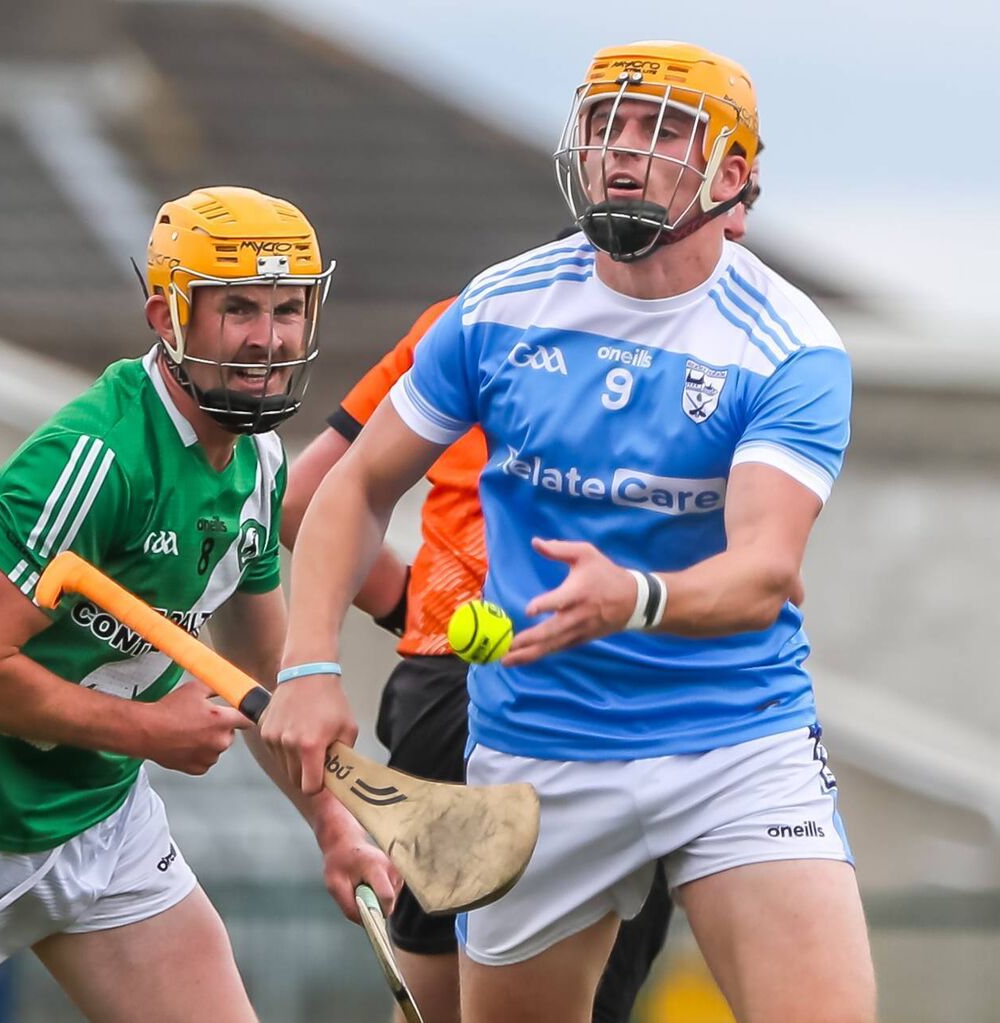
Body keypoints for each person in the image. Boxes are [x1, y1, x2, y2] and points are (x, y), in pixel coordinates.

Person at [263, 40, 874, 1023]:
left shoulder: (789, 347)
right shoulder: (498, 307)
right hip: (534, 759)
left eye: (662, 130)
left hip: (735, 746)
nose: (623, 151)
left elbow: (764, 571)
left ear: (732, 176)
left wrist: (633, 598)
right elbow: (349, 489)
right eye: (607, 125)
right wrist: (308, 667)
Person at [0, 186, 396, 1023]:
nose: (269, 338)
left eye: (287, 309)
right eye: (238, 309)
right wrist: (148, 731)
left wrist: (333, 826)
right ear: (167, 315)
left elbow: (261, 678)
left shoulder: (259, 464)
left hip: (103, 825)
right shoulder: (96, 458)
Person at [280, 157, 766, 1023]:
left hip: (438, 691)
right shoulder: (709, 351)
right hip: (595, 699)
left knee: (431, 998)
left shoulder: (465, 317)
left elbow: (305, 497)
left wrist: (415, 606)